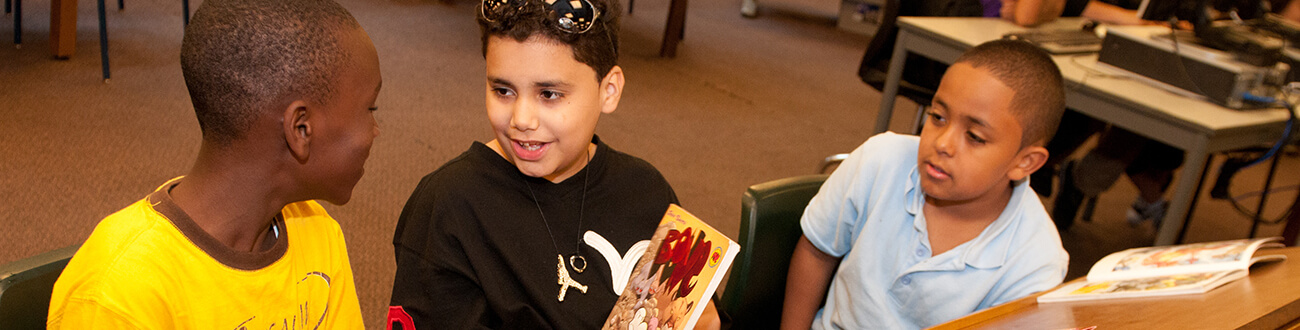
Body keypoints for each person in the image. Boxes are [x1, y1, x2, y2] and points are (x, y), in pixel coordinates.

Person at [46, 0, 380, 328]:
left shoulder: (318, 231)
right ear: (301, 128)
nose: (376, 131)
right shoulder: (118, 295)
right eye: (370, 110)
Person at [385, 0, 719, 328]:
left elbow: (697, 315)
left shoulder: (647, 190)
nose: (522, 119)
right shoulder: (449, 207)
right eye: (502, 90)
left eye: (549, 94)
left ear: (609, 90)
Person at [782, 39, 1070, 330]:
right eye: (938, 117)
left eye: (974, 137)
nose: (942, 143)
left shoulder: (1035, 262)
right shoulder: (880, 160)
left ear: (1025, 162)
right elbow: (817, 252)